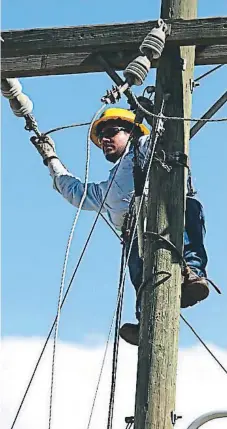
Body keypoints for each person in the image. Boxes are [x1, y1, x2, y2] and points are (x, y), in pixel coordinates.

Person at [31, 107, 209, 346]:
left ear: (132, 133)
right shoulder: (110, 186)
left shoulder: (145, 147)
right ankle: (146, 316)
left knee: (185, 239)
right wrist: (51, 159)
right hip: (136, 233)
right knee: (141, 276)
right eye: (101, 136)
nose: (105, 139)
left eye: (112, 132)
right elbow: (75, 191)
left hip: (172, 211)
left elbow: (164, 137)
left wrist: (156, 109)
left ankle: (191, 275)